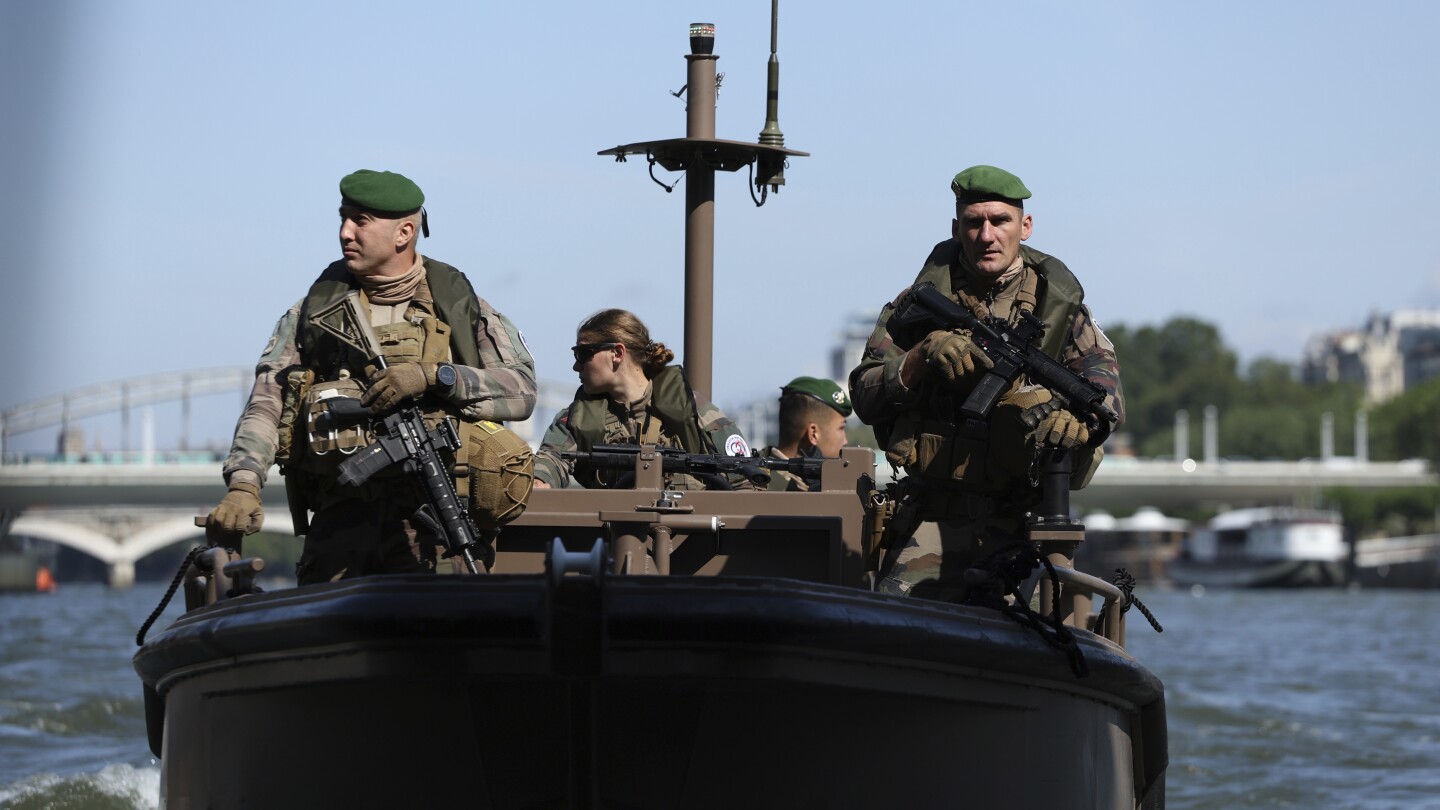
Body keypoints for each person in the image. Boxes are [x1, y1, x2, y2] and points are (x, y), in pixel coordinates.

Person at [207, 169, 537, 583]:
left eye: (360, 221)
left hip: (433, 519)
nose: (345, 232)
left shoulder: (460, 306)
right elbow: (268, 402)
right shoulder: (312, 312)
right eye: (343, 218)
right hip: (341, 521)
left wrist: (435, 377)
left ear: (404, 233)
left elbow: (521, 391)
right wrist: (244, 483)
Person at [848, 165, 1124, 601]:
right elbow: (863, 393)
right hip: (932, 519)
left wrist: (1082, 424)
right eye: (974, 222)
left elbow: (1105, 392)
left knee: (1050, 639)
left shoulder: (1062, 308)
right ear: (957, 228)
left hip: (1024, 522)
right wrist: (921, 355)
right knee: (890, 630)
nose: (987, 235)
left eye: (1000, 221)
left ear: (1025, 227)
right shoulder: (918, 303)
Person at [532, 309, 752, 490]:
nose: (576, 366)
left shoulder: (694, 410)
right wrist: (541, 479)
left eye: (583, 354)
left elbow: (745, 482)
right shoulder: (578, 418)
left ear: (617, 353)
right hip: (616, 535)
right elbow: (552, 459)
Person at [758, 376, 852, 491]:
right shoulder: (775, 487)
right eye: (841, 428)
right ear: (813, 434)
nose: (845, 441)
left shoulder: (755, 479)